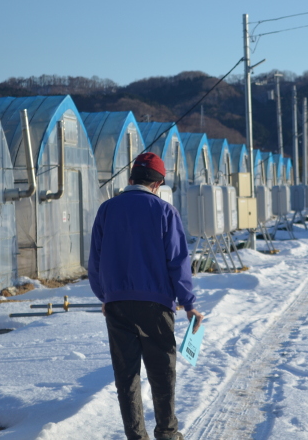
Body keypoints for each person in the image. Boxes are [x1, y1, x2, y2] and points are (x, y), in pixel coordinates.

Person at [89, 152, 203, 440]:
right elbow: (178, 261)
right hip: (156, 305)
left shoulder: (107, 210)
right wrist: (188, 303)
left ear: (131, 178)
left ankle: (136, 436)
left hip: (117, 304)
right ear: (158, 183)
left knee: (126, 376)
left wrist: (106, 295)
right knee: (161, 372)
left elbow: (95, 261)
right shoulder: (165, 212)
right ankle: (167, 433)